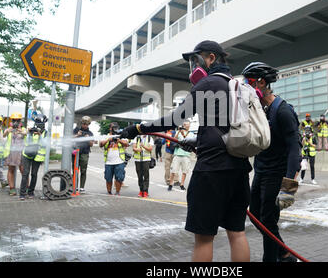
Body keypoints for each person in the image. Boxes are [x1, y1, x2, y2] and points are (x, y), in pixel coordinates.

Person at [121, 40, 252, 262]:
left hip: (212, 170)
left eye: (195, 59)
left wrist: (139, 128)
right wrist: (196, 140)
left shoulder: (209, 83)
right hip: (239, 169)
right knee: (237, 232)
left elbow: (175, 119)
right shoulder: (238, 86)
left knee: (204, 237)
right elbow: (224, 128)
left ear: (211, 58)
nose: (192, 65)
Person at [242, 62, 300, 263]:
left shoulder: (282, 111)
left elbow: (295, 149)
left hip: (277, 174)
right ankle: (283, 253)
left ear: (262, 82)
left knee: (268, 220)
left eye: (250, 82)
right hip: (261, 171)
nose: (246, 87)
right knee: (255, 215)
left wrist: (289, 187)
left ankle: (272, 259)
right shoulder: (258, 110)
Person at [19, 114, 48, 200]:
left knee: (34, 174)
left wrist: (39, 135)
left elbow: (45, 144)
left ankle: (31, 192)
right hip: (27, 154)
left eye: (40, 123)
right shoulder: (31, 130)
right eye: (37, 122)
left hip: (38, 156)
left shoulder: (46, 133)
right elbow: (27, 142)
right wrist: (29, 134)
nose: (38, 124)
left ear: (44, 124)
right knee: (25, 174)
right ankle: (22, 194)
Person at [99, 122, 130, 196]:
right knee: (108, 178)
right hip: (109, 162)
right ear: (110, 128)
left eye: (116, 127)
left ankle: (117, 192)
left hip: (119, 161)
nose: (115, 129)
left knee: (119, 178)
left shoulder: (120, 135)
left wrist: (119, 140)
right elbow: (101, 144)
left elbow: (127, 144)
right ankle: (109, 192)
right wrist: (108, 140)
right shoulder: (106, 136)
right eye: (114, 127)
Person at [3, 112, 27, 196]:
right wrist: (7, 132)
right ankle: (12, 189)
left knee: (23, 171)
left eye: (18, 120)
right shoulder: (9, 129)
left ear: (21, 121)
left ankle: (26, 188)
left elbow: (26, 134)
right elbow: (3, 136)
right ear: (11, 121)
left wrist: (21, 132)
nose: (16, 122)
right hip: (11, 153)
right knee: (11, 170)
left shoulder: (23, 129)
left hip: (21, 153)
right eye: (14, 120)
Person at [168, 121, 194, 191]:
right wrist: (179, 132)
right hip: (178, 154)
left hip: (186, 155)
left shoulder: (191, 134)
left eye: (187, 125)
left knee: (184, 171)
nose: (185, 126)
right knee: (173, 170)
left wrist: (183, 134)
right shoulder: (178, 132)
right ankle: (170, 184)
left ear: (189, 126)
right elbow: (173, 139)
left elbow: (189, 142)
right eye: (184, 124)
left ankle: (182, 184)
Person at [73, 116, 94, 193]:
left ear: (89, 124)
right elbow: (69, 139)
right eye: (84, 123)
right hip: (75, 153)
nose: (85, 125)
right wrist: (77, 135)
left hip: (85, 153)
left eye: (87, 124)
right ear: (81, 123)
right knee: (75, 170)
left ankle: (82, 187)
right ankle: (75, 186)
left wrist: (88, 138)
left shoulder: (90, 133)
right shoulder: (76, 130)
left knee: (83, 171)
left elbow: (91, 144)